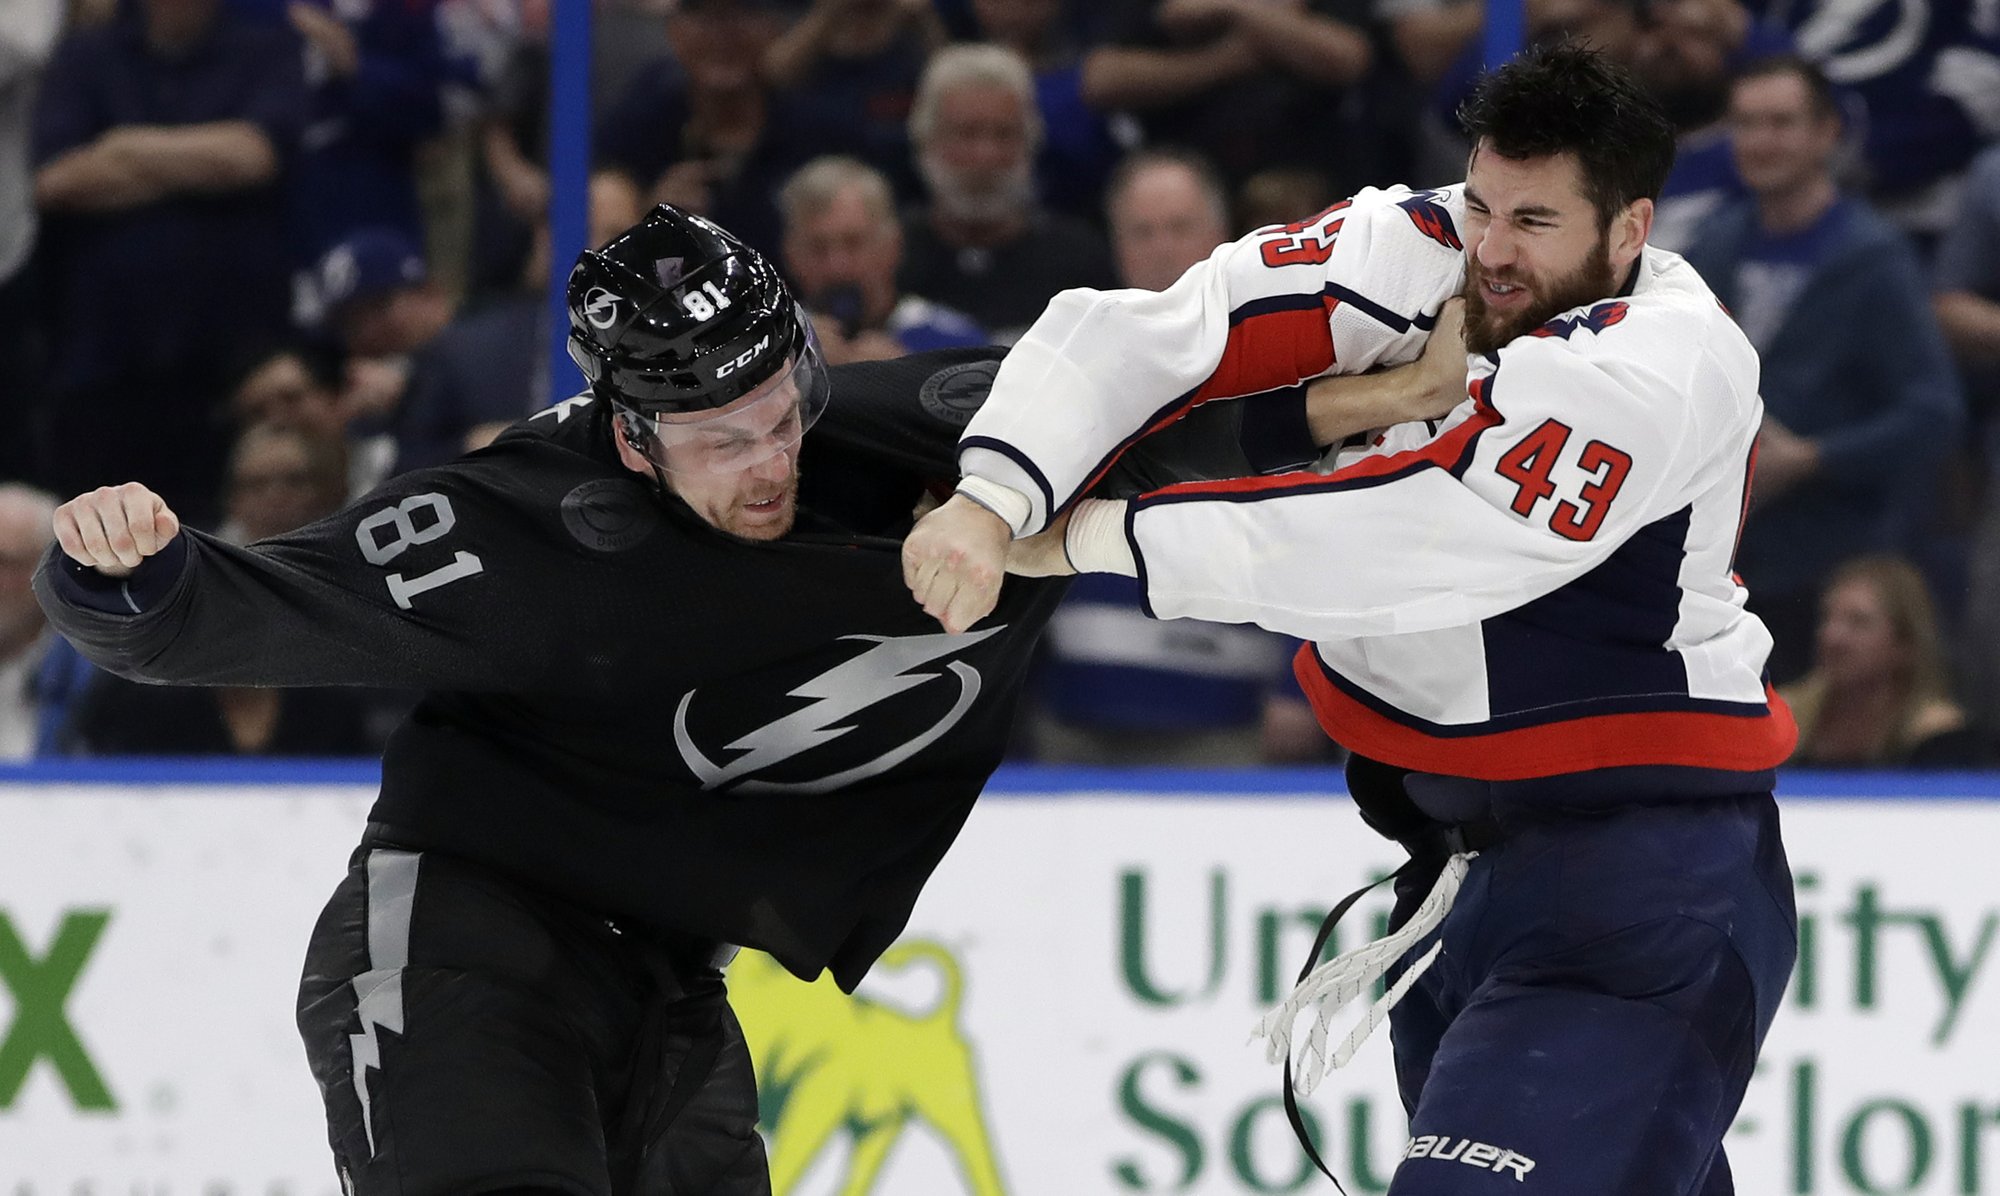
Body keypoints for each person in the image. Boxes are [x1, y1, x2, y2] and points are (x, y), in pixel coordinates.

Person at [32, 203, 1261, 1193]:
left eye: (782, 411)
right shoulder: (495, 525)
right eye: (724, 440)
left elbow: (1132, 390)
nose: (772, 459)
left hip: (667, 987)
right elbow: (212, 612)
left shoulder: (881, 443)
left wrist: (1390, 367)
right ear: (630, 435)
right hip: (459, 950)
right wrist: (116, 571)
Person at [905, 42, 1797, 1194]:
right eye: (1478, 202)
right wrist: (994, 494)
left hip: (1640, 889)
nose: (1488, 248)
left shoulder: (1663, 369)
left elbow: (1390, 541)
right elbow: (1157, 330)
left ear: (1627, 230)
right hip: (1450, 876)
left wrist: (1084, 537)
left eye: (1533, 220)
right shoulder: (1415, 245)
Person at [1681, 55, 1963, 684]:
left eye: (1781, 122)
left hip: (1829, 565)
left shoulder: (1873, 258)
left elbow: (1933, 411)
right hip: (1721, 563)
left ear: (1827, 132)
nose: (1761, 141)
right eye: (1747, 123)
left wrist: (1814, 457)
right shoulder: (1715, 245)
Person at [896, 43, 1117, 342]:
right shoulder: (891, 258)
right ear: (927, 139)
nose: (986, 155)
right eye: (968, 133)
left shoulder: (1081, 264)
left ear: (1030, 142)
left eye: (1004, 134)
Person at [777, 154, 988, 366]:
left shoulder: (956, 343)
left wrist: (906, 380)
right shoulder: (774, 346)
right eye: (818, 248)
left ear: (892, 246)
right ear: (792, 256)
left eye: (853, 244)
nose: (837, 266)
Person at [1780, 555, 1988, 769]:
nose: (1831, 637)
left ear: (1906, 643)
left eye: (1858, 622)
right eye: (1827, 619)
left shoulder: (1939, 740)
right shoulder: (1782, 717)